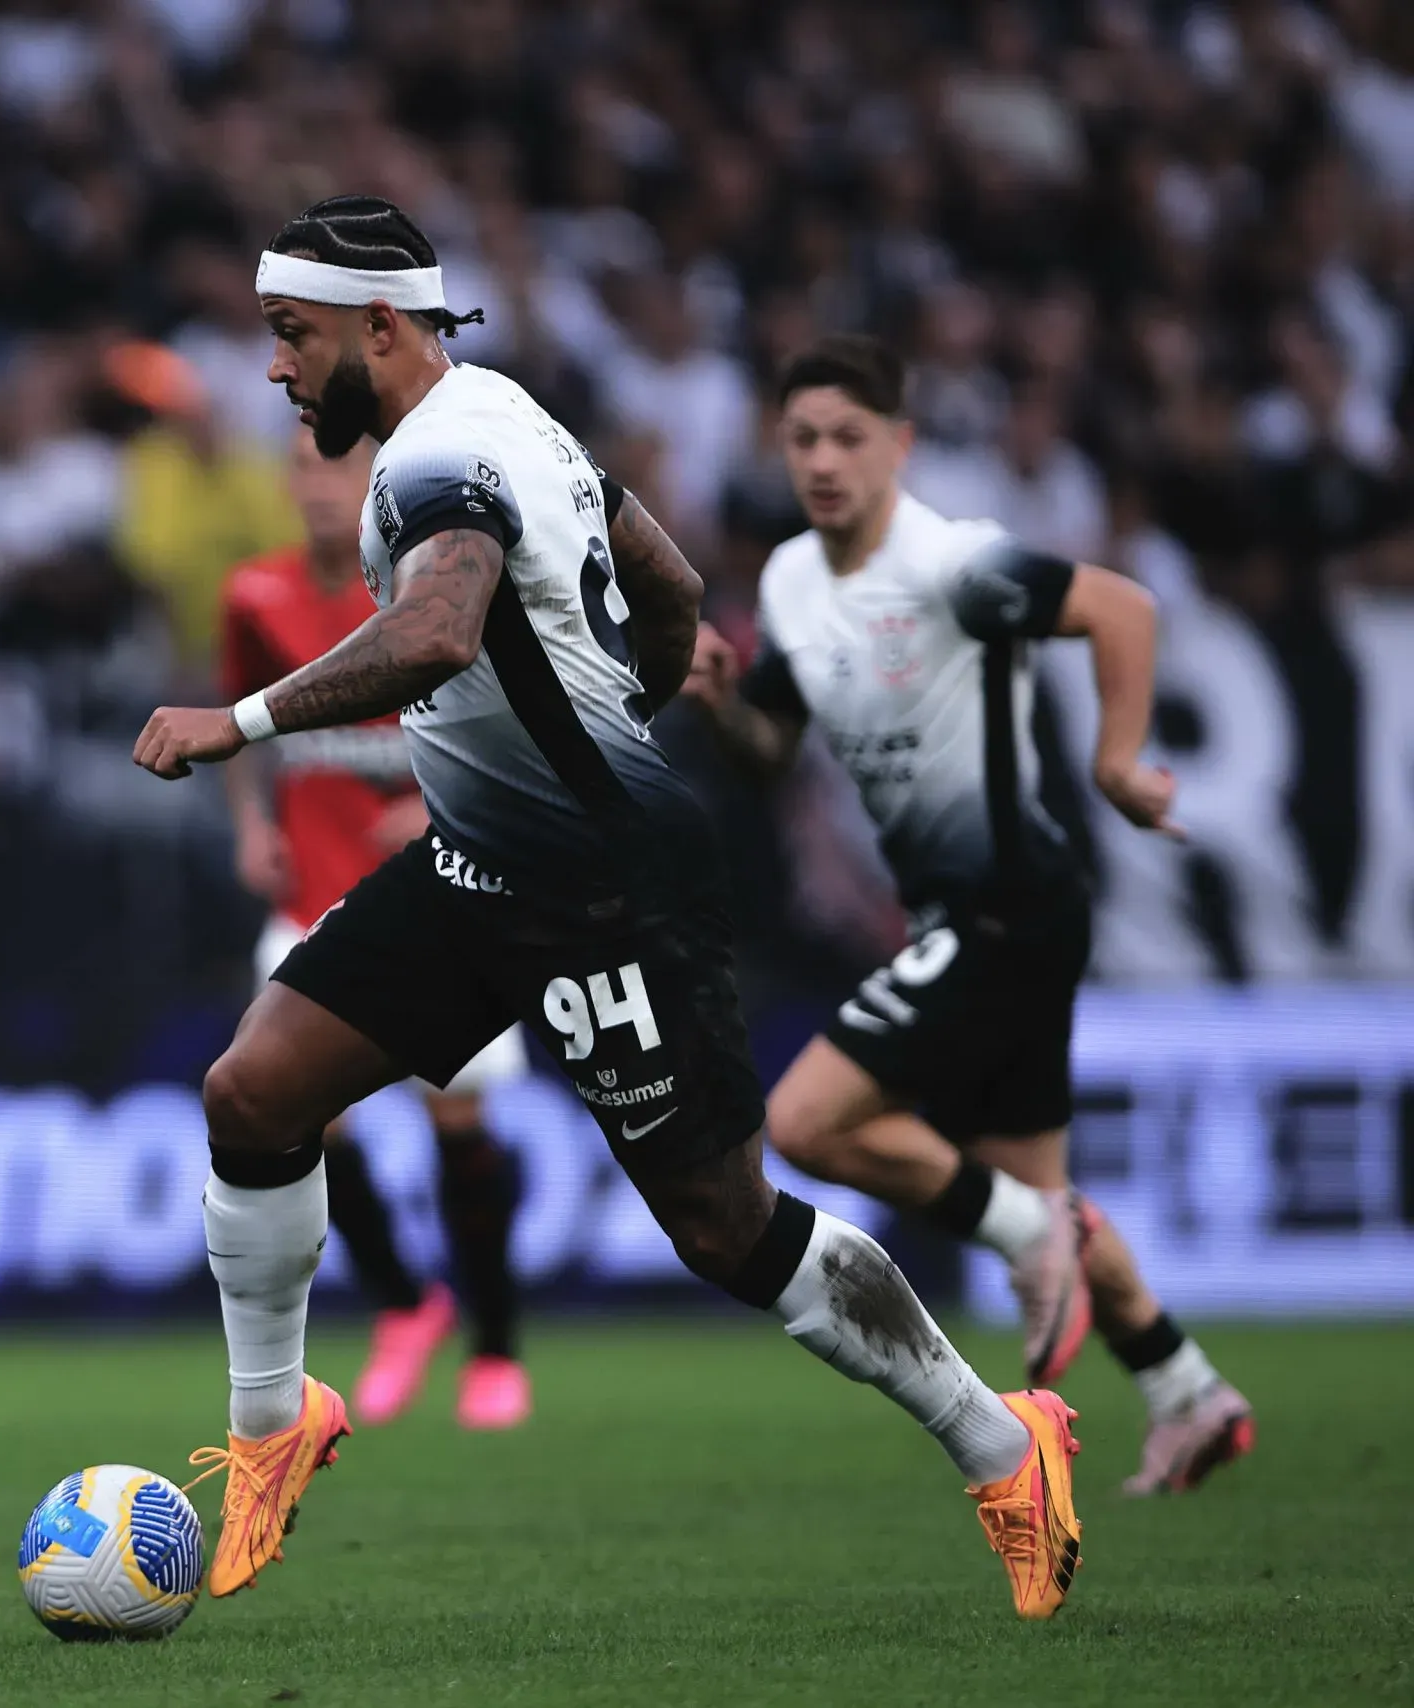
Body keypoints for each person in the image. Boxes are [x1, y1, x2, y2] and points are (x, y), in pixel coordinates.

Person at [134, 195, 1080, 1620]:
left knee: (726, 1227)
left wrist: (244, 720)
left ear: (377, 327)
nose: (274, 369)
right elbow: (673, 581)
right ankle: (276, 1425)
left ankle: (1008, 1448)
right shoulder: (516, 414)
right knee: (254, 1096)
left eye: (291, 336)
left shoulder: (441, 458)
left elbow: (439, 629)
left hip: (603, 888)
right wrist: (608, 712)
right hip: (479, 860)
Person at [683, 334, 1254, 1497]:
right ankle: (1187, 1388)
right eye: (804, 439)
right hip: (972, 911)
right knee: (1038, 1205)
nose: (825, 460)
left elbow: (1122, 608)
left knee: (807, 1121)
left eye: (851, 436)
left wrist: (1114, 763)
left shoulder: (954, 565)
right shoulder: (791, 583)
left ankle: (1029, 1235)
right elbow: (770, 753)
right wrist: (721, 703)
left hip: (1007, 908)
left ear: (899, 445)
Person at [223, 424, 533, 1432]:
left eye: (339, 471)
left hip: (442, 895)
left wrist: (448, 807)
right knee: (294, 1113)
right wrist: (249, 825)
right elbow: (233, 713)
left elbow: (510, 721)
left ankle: (493, 1348)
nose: (319, 490)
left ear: (373, 483)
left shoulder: (426, 592)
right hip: (310, 902)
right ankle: (406, 1302)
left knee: (459, 1125)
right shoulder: (255, 595)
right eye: (304, 470)